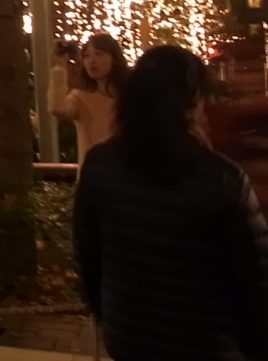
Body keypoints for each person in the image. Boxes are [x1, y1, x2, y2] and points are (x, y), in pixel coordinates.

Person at [74, 45, 268, 361]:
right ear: (191, 103)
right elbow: (255, 280)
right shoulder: (221, 178)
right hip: (207, 345)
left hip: (129, 337)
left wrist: (108, 316)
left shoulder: (99, 164)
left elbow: (89, 255)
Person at [49, 32, 129, 165]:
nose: (91, 60)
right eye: (86, 56)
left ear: (114, 59)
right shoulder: (81, 97)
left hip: (126, 172)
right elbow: (57, 107)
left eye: (99, 54)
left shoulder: (130, 98)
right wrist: (60, 67)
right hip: (93, 173)